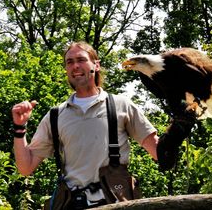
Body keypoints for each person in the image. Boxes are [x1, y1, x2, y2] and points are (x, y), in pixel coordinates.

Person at [12, 41, 193, 208]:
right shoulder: (55, 115)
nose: (75, 66)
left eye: (81, 60)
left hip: (115, 202)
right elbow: (26, 167)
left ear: (96, 65)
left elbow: (161, 154)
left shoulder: (121, 105)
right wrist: (20, 128)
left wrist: (176, 132)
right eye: (70, 62)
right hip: (73, 204)